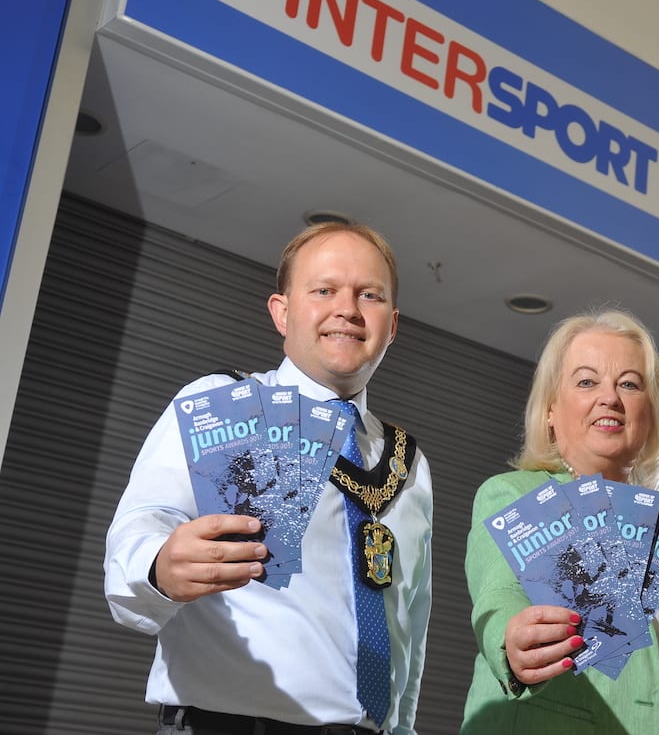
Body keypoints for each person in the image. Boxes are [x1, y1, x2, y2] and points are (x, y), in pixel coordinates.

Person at [104, 221, 433, 734]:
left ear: (391, 325)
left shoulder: (407, 462)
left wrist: (404, 726)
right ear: (282, 313)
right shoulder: (223, 404)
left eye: (368, 295)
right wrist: (160, 565)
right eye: (324, 290)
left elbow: (411, 617)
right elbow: (143, 523)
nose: (347, 308)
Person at [462, 309, 659, 734]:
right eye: (586, 381)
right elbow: (498, 593)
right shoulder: (514, 495)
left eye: (629, 384)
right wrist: (512, 642)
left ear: (649, 416)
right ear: (550, 411)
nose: (609, 397)